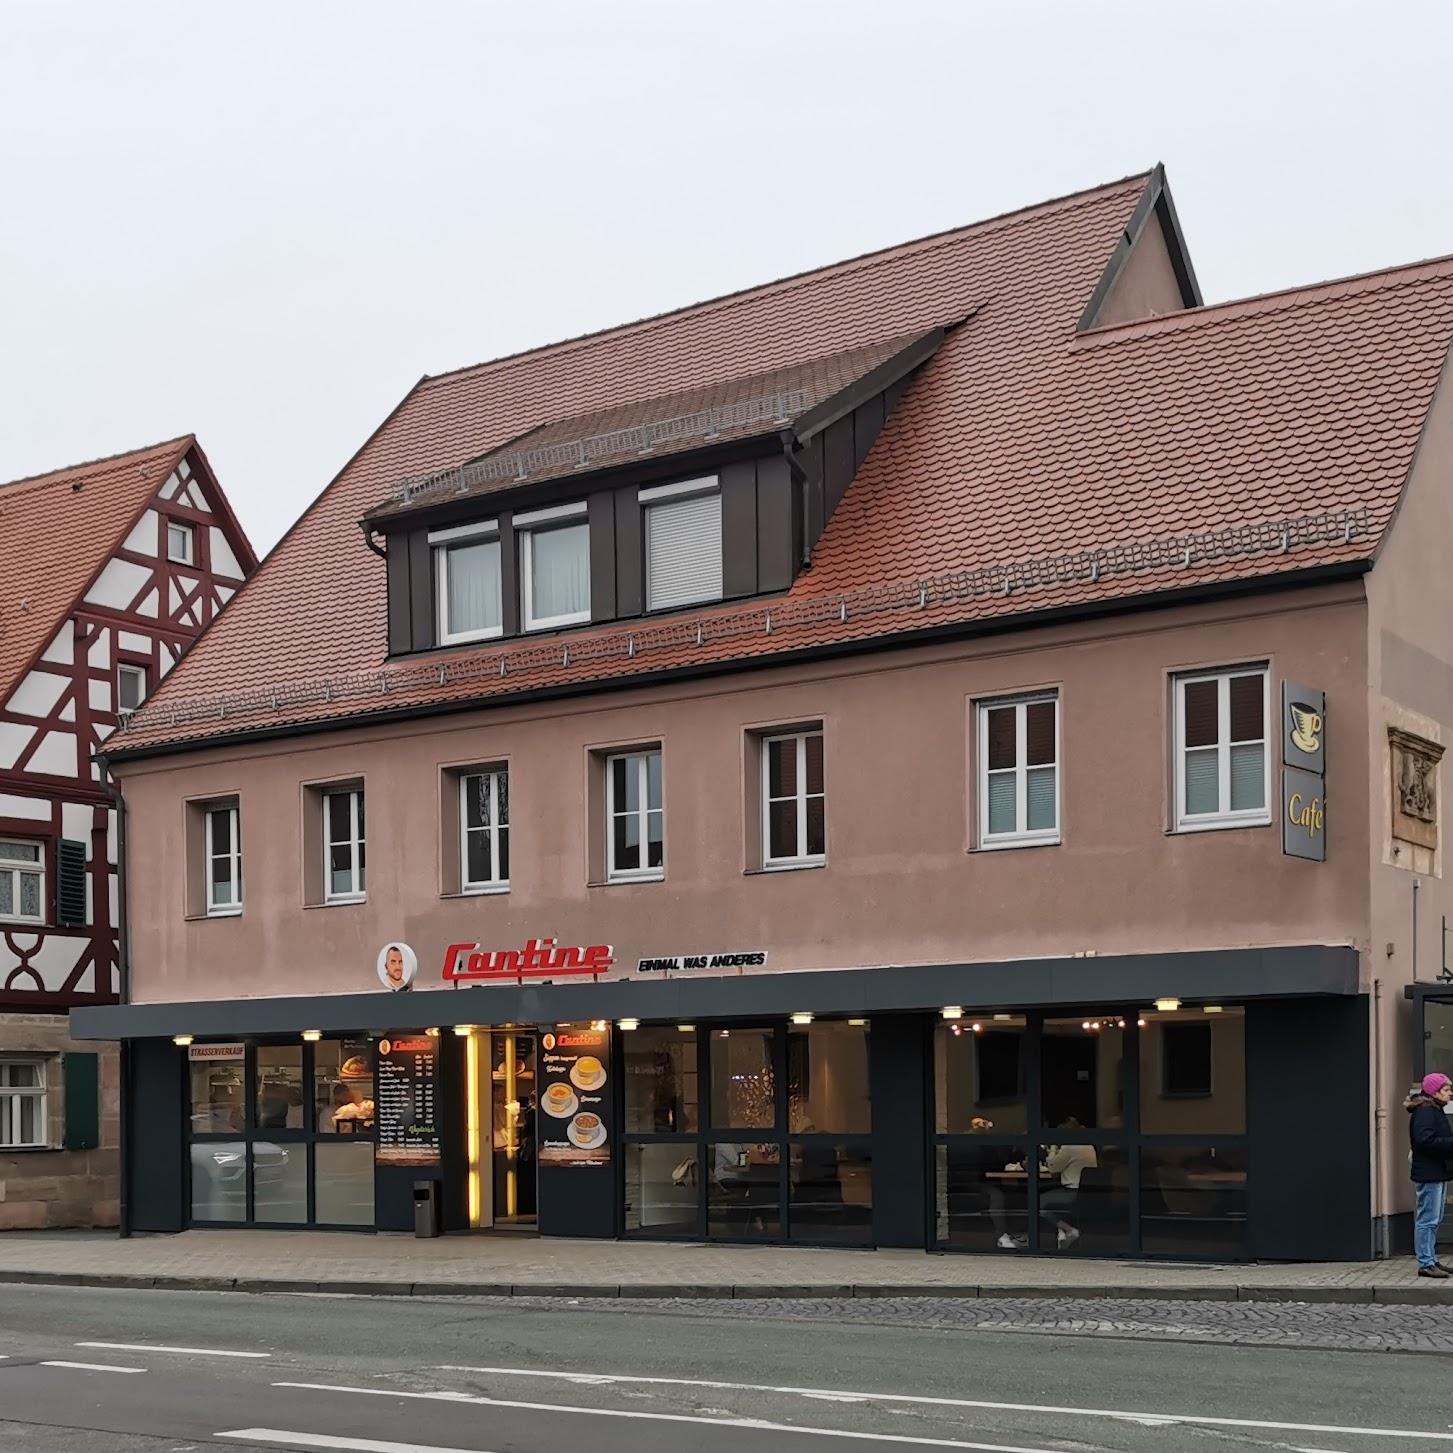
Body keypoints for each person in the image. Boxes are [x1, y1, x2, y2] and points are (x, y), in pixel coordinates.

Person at [1407, 1072, 1453, 1277]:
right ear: (1435, 1092)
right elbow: (1424, 1141)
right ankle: (1426, 1263)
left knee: (1435, 1218)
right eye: (1446, 1089)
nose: (1450, 1093)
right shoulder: (1426, 1112)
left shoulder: (1433, 1110)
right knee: (1428, 1219)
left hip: (1437, 1171)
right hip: (1430, 1173)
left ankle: (1430, 1259)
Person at [1041, 1118, 1096, 1251]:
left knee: (1039, 1201)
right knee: (1053, 1196)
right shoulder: (1089, 1145)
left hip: (1072, 1192)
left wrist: (1053, 1146)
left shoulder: (1070, 1147)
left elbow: (1053, 1166)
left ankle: (1070, 1230)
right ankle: (1062, 1234)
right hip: (1088, 1192)